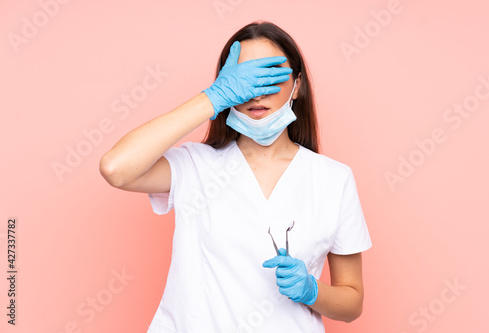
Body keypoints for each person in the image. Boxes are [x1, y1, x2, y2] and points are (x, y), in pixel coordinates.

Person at [100, 21, 372, 333]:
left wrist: (312, 290)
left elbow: (352, 303)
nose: (256, 91)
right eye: (244, 79)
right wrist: (213, 98)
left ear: (297, 85)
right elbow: (115, 168)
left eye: (270, 74)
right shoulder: (195, 166)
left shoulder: (333, 179)